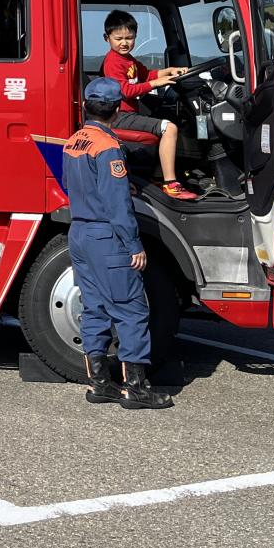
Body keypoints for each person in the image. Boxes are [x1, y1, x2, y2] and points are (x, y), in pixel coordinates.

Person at [62, 76, 172, 410]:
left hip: (79, 233)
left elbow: (71, 185)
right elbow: (118, 206)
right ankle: (136, 389)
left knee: (94, 308)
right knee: (131, 311)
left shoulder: (73, 141)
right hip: (106, 236)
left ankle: (99, 384)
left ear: (86, 106)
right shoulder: (109, 147)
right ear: (116, 109)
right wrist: (134, 245)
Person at [99, 10, 195, 201]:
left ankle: (157, 176)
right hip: (119, 116)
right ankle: (170, 183)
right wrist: (156, 84)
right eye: (119, 38)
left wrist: (169, 71)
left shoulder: (129, 60)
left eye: (129, 37)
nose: (124, 42)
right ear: (107, 38)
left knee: (166, 119)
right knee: (169, 128)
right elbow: (125, 91)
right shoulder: (113, 62)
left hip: (127, 113)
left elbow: (146, 75)